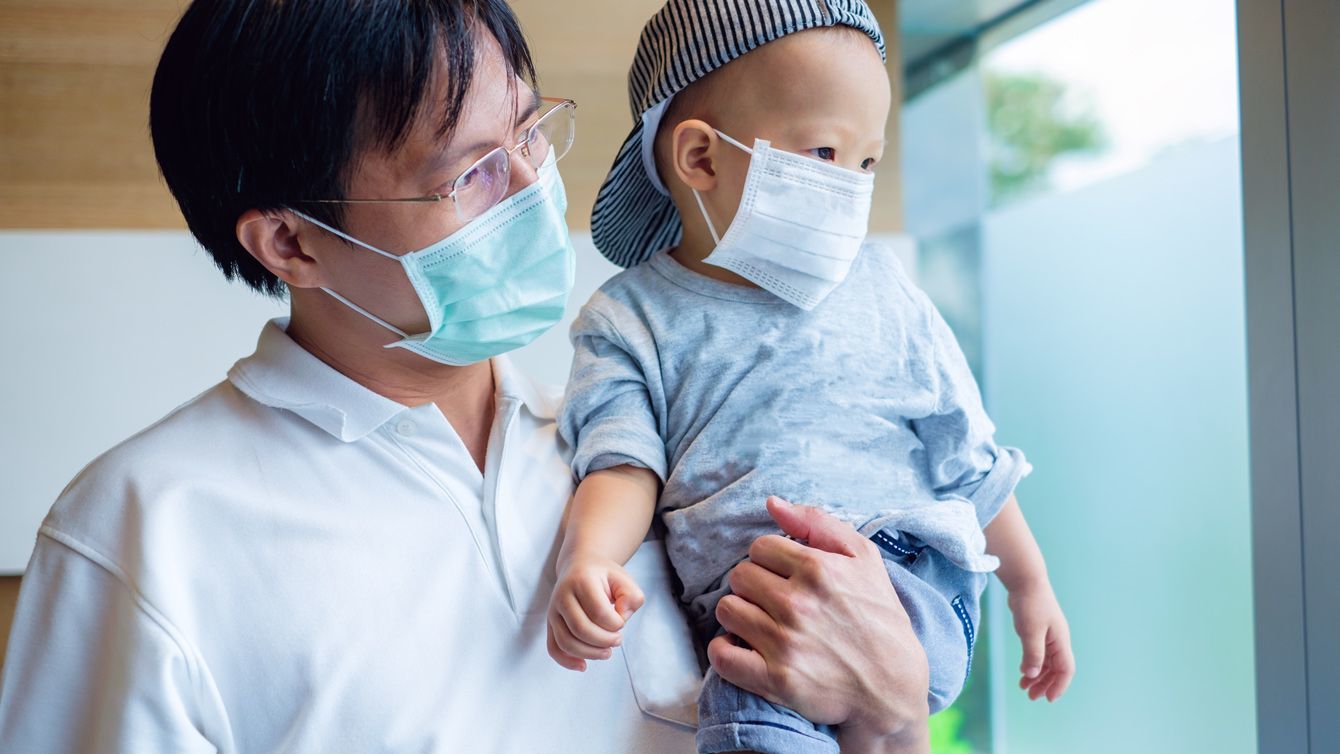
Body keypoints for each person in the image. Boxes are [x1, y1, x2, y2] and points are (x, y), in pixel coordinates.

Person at [0, 1, 936, 752]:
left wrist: (897, 704)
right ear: (291, 242)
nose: (535, 191)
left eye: (530, 134)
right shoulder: (145, 531)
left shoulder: (645, 446)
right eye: (471, 175)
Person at [547, 1, 1075, 752]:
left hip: (914, 575)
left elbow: (969, 457)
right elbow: (623, 464)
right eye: (826, 153)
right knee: (749, 708)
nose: (853, 186)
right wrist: (590, 557)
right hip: (756, 616)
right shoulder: (630, 319)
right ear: (701, 159)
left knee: (751, 701)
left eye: (867, 163)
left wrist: (1031, 584)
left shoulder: (884, 290)